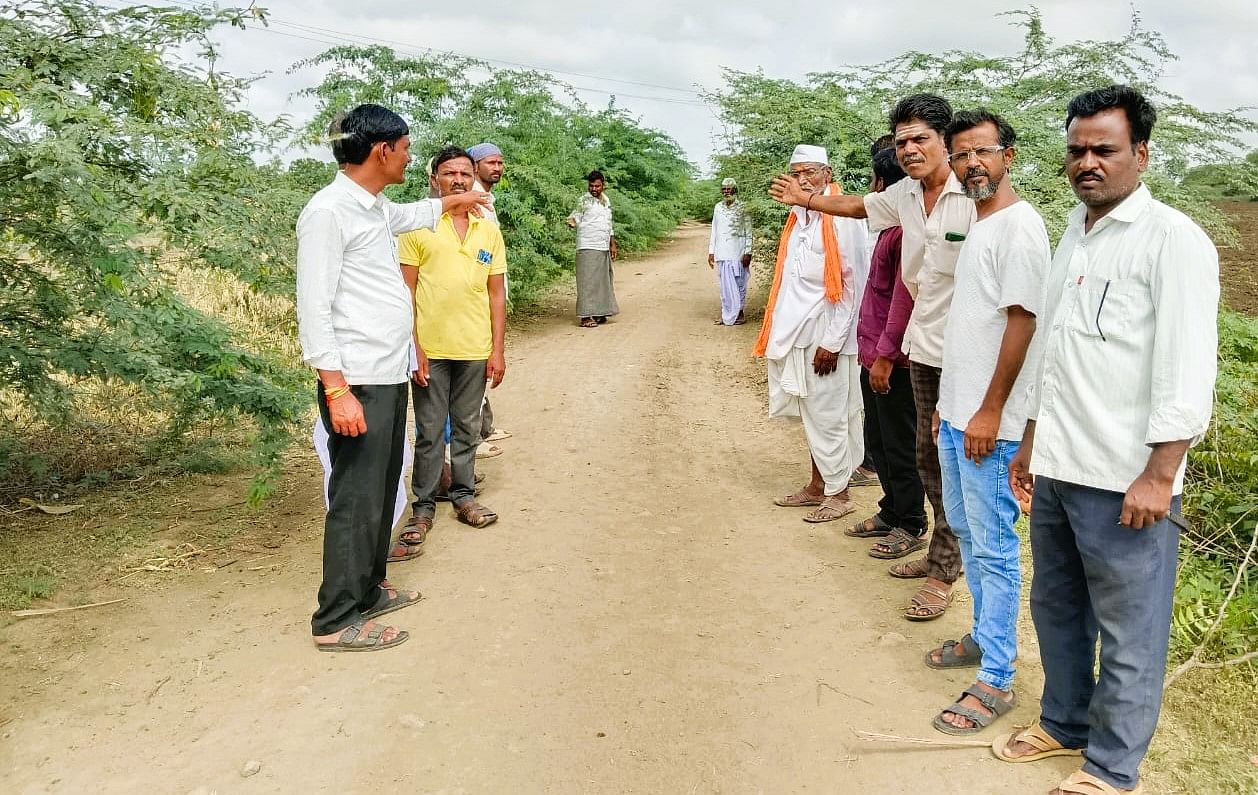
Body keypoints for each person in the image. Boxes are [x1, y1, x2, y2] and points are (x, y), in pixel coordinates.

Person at [994, 86, 1219, 795]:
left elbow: (1186, 366)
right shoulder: (1074, 232)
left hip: (1127, 478)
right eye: (1077, 150)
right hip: (1060, 465)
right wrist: (1029, 441)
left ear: (1140, 154)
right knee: (1055, 605)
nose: (1088, 162)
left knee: (1129, 630)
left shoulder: (1172, 240)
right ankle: (1064, 723)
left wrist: (1161, 473)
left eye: (1104, 150)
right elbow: (1052, 353)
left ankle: (1113, 767)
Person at [770, 94, 974, 622]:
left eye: (920, 139)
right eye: (902, 140)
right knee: (930, 463)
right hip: (921, 349)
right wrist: (810, 201)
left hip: (966, 354)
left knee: (953, 467)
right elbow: (859, 206)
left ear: (945, 141)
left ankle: (945, 573)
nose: (910, 149)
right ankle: (936, 554)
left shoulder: (974, 197)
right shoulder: (906, 195)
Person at [296, 104, 488, 652]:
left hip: (384, 373)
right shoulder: (328, 212)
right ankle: (335, 618)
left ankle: (370, 589)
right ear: (382, 151)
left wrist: (460, 198)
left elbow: (412, 215)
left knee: (382, 488)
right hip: (353, 381)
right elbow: (314, 308)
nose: (408, 157)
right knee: (356, 496)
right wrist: (336, 390)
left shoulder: (373, 207)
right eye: (405, 149)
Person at [925, 110, 1051, 736]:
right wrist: (949, 409)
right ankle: (983, 636)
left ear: (1009, 156)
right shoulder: (979, 224)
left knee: (996, 548)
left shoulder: (1021, 228)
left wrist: (992, 410)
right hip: (960, 417)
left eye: (985, 152)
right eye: (963, 154)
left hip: (992, 428)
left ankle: (998, 676)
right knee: (970, 537)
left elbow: (1023, 323)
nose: (973, 163)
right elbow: (974, 326)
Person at [397, 146, 508, 541]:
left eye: (464, 173)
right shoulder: (417, 228)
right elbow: (405, 293)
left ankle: (464, 495)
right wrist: (415, 348)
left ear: (472, 178)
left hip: (475, 348)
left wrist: (497, 349)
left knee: (467, 426)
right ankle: (422, 508)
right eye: (449, 174)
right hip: (431, 349)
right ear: (434, 180)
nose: (458, 180)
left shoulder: (488, 229)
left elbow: (496, 293)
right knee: (429, 430)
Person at [759, 144, 871, 523]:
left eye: (810, 172)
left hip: (826, 335)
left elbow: (854, 283)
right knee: (812, 414)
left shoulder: (843, 218)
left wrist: (833, 342)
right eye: (796, 173)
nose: (802, 179)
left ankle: (839, 495)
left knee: (831, 414)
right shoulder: (798, 217)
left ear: (828, 174)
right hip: (796, 332)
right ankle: (817, 485)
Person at [850, 148, 927, 560]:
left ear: (883, 185)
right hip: (872, 352)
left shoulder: (902, 235)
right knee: (878, 440)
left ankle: (911, 522)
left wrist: (885, 356)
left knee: (899, 444)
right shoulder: (890, 230)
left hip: (892, 359)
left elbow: (904, 298)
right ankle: (891, 509)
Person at [467, 141, 512, 455]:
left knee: (482, 364)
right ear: (475, 165)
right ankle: (472, 438)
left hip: (490, 290)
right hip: (475, 295)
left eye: (500, 163)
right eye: (490, 163)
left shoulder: (487, 199)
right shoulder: (468, 200)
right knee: (474, 368)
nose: (496, 168)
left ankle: (484, 427)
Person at [566, 170, 619, 328]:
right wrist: (571, 222)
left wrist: (612, 243)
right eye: (591, 186)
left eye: (597, 186)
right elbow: (575, 216)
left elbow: (608, 225)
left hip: (602, 246)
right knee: (587, 281)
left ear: (603, 185)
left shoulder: (605, 201)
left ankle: (599, 313)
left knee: (602, 281)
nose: (594, 189)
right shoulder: (584, 201)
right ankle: (585, 316)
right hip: (587, 245)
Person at [708, 177, 753, 325]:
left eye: (729, 189)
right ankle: (726, 314)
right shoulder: (718, 207)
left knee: (739, 283)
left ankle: (739, 313)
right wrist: (711, 251)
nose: (726, 191)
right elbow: (714, 229)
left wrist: (748, 252)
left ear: (735, 190)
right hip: (722, 252)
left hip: (738, 252)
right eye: (724, 189)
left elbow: (748, 231)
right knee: (725, 286)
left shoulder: (743, 207)